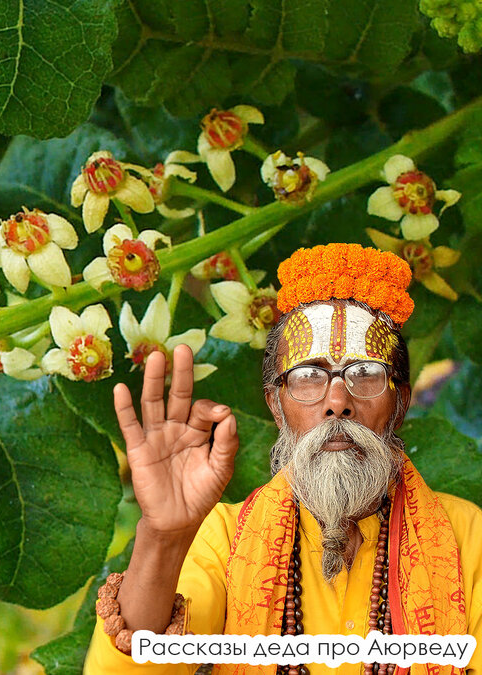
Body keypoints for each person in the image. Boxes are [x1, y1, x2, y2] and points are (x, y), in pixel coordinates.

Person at [84, 244, 482, 674]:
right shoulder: (224, 541)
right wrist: (161, 537)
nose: (337, 402)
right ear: (277, 405)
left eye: (365, 374)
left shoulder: (469, 539)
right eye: (309, 376)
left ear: (400, 402)